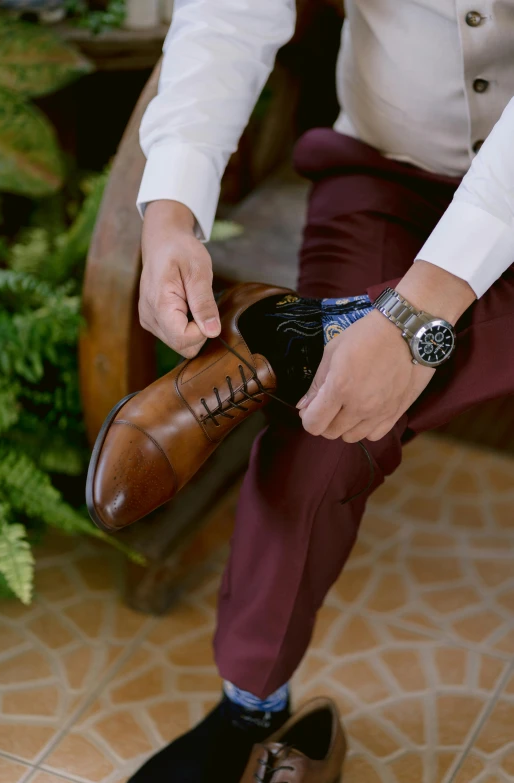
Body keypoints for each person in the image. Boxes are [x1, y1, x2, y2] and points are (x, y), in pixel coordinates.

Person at [129, 1, 514, 780]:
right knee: (318, 439)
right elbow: (230, 15)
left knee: (334, 378)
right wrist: (170, 211)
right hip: (384, 178)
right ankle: (252, 711)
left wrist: (414, 319)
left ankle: (285, 348)